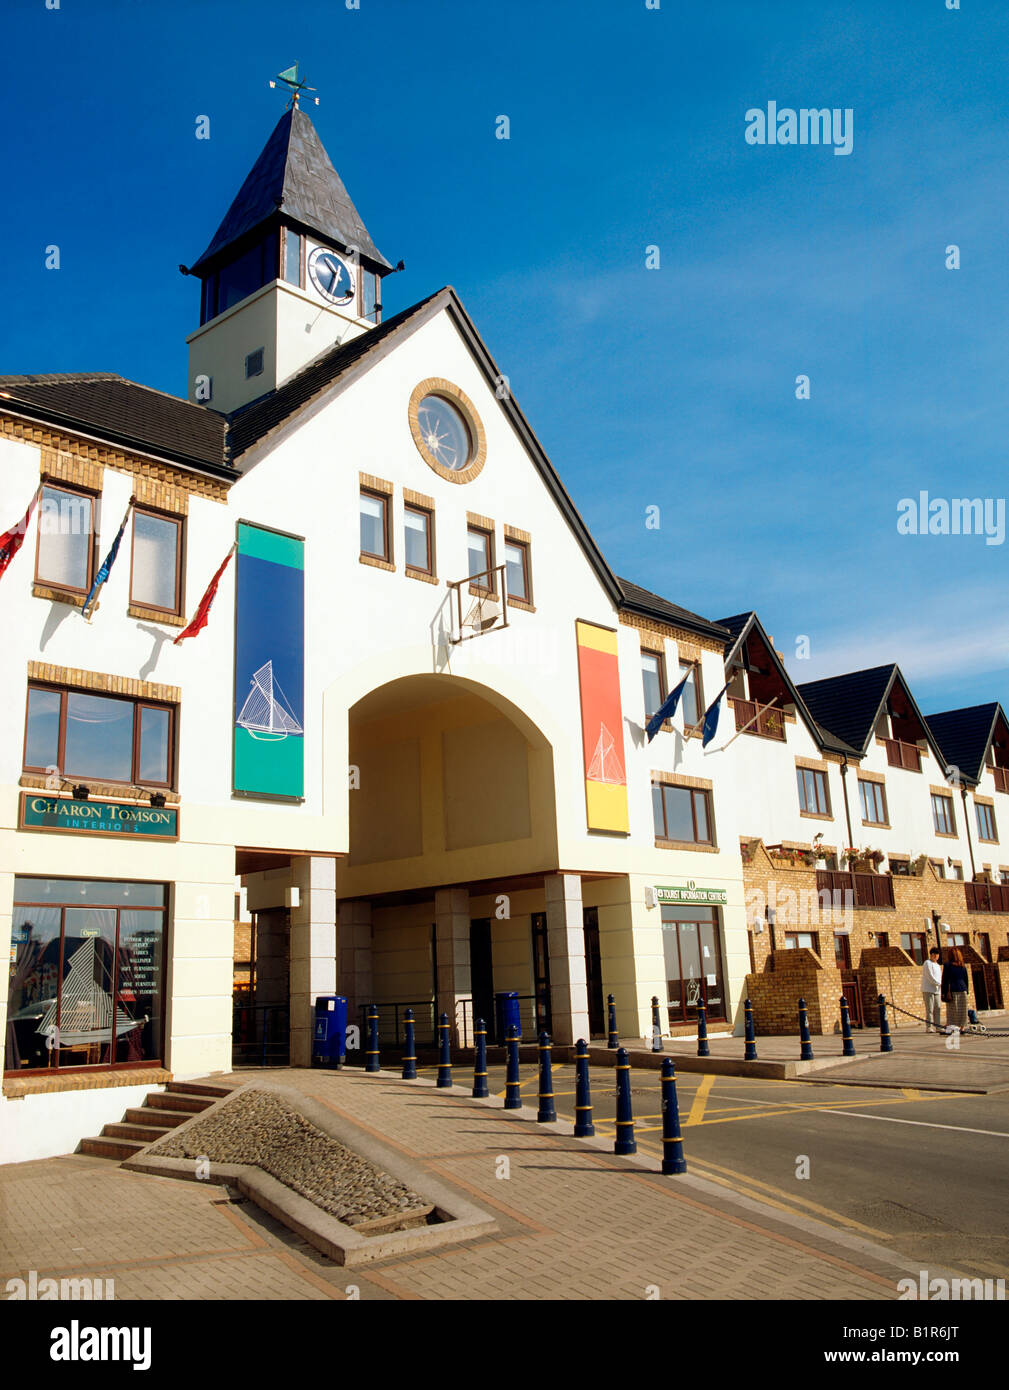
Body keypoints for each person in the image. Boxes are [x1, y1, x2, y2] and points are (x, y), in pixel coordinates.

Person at [941, 947, 970, 1033]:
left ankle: (951, 1026)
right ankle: (962, 1027)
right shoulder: (962, 965)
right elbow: (966, 979)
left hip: (952, 990)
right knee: (963, 1010)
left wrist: (943, 992)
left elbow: (945, 979)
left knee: (952, 1010)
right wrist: (967, 990)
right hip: (962, 989)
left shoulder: (947, 965)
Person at [921, 947, 942, 1033]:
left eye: (938, 955)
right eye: (936, 955)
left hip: (937, 990)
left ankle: (938, 1026)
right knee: (929, 1009)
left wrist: (940, 985)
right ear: (932, 954)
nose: (937, 957)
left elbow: (939, 977)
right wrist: (937, 983)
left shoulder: (937, 965)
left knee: (937, 1008)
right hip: (928, 989)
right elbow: (929, 976)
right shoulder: (927, 963)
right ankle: (928, 1026)